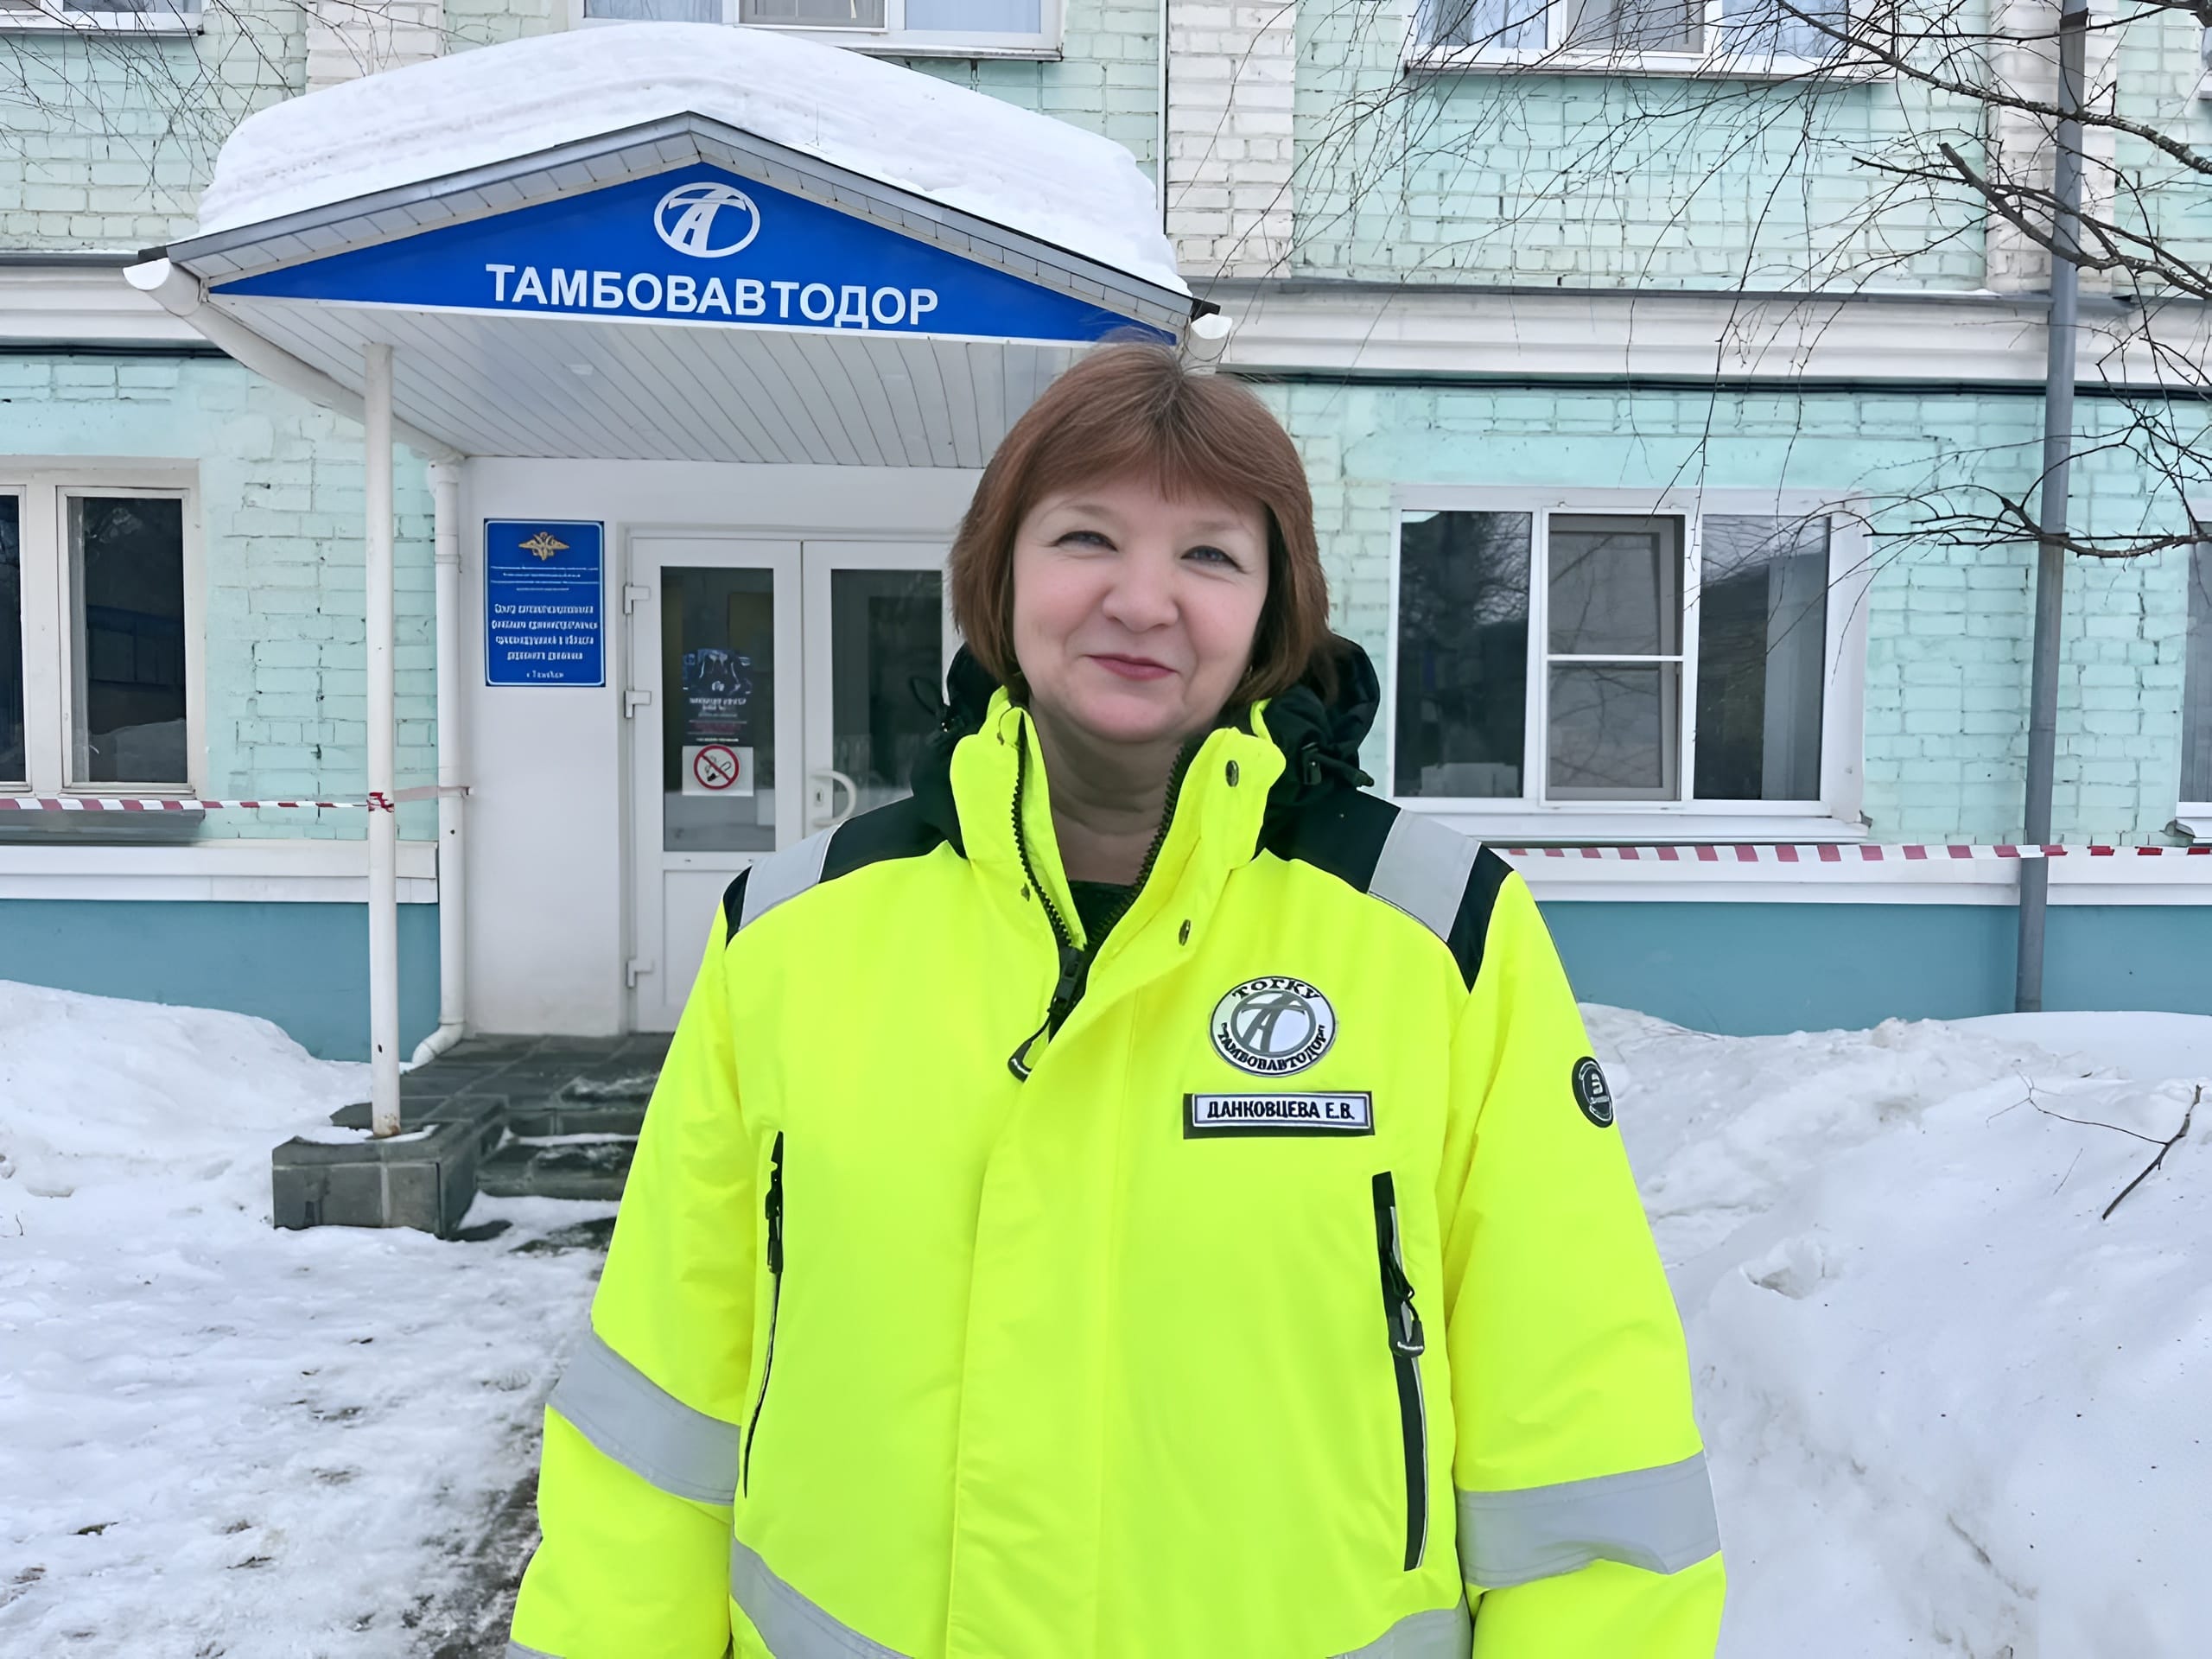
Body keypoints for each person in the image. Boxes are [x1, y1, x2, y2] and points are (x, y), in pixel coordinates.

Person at [506, 343, 1725, 1658]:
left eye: (1210, 555)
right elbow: (661, 1407)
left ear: (1273, 610)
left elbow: (1583, 1441)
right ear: (1000, 577)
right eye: (1086, 537)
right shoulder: (790, 935)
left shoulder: (1438, 936)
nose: (1144, 601)